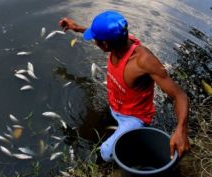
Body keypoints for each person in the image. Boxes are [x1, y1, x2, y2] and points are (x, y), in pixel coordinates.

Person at [59, 10, 190, 162]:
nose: (94, 42)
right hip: (115, 106)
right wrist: (76, 28)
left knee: (106, 153)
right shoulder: (120, 40)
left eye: (96, 40)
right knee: (89, 130)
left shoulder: (144, 61)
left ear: (105, 44)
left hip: (134, 118)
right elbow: (99, 35)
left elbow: (180, 95)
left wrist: (181, 129)